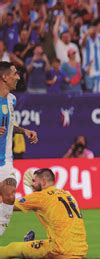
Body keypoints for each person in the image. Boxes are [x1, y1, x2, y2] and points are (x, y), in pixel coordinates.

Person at [0, 168, 88, 259]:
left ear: (43, 182)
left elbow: (9, 203)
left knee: (13, 248)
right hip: (80, 250)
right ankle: (29, 245)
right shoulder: (67, 194)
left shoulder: (41, 197)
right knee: (48, 242)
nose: (31, 184)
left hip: (60, 250)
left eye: (34, 181)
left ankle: (26, 247)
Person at [0, 62, 39, 237]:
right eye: (15, 73)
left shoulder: (11, 99)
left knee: (9, 196)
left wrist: (24, 131)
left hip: (6, 160)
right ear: (4, 77)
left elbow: (8, 125)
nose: (18, 77)